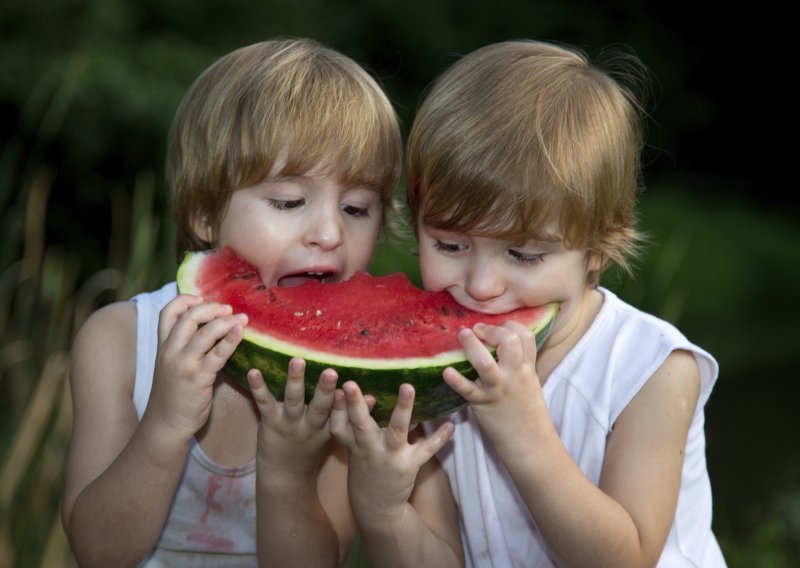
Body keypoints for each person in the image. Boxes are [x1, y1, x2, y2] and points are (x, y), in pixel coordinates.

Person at [330, 40, 725, 567]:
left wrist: (525, 436)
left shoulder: (652, 370)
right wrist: (383, 510)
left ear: (598, 249)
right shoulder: (429, 373)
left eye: (523, 253)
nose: (484, 284)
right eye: (450, 245)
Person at [62, 38, 402, 567]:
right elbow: (96, 551)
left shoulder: (354, 381)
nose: (330, 232)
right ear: (204, 214)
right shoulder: (120, 344)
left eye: (357, 208)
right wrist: (167, 424)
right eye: (289, 202)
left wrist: (288, 471)